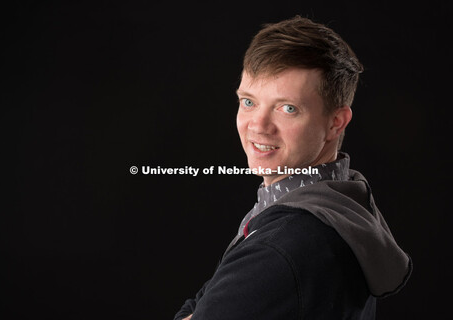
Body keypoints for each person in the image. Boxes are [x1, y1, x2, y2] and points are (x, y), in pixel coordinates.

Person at [174, 16, 412, 320]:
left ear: (335, 122)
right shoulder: (345, 204)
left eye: (288, 108)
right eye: (248, 102)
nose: (258, 126)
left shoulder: (282, 247)